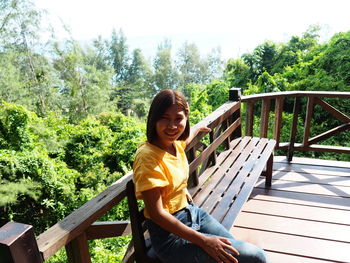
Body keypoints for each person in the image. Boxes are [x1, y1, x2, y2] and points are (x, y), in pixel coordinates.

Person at [133, 89, 269, 263]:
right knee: (256, 257)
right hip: (170, 237)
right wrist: (204, 241)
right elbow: (157, 213)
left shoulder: (173, 144)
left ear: (185, 118)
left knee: (235, 254)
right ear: (153, 118)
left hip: (193, 214)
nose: (172, 126)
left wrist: (196, 128)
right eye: (165, 118)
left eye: (178, 119)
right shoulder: (147, 156)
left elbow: (185, 139)